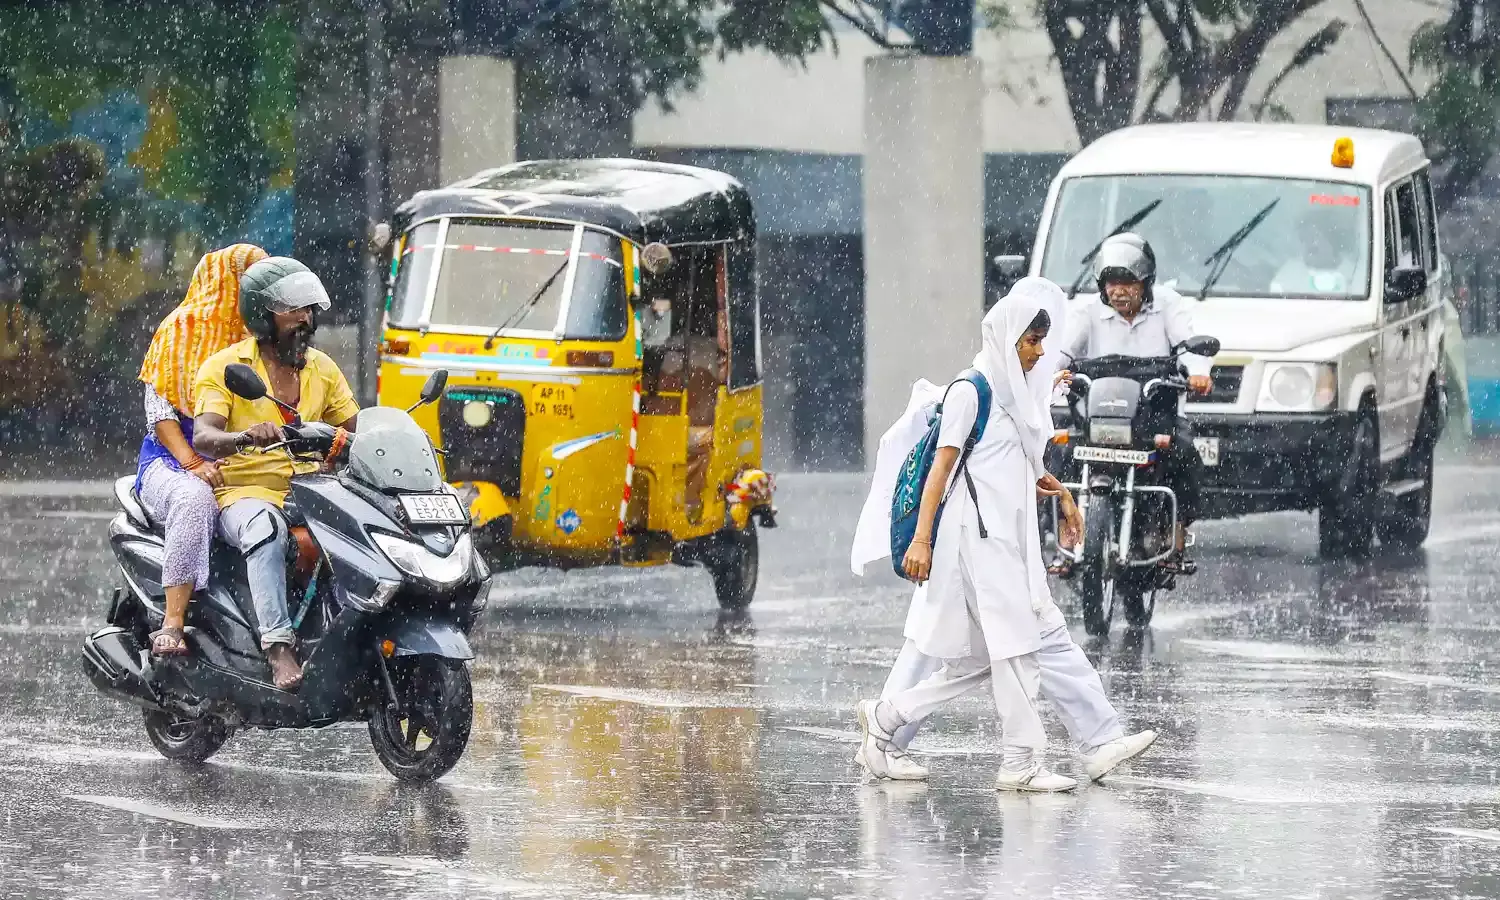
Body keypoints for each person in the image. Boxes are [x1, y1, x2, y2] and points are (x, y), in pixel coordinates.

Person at [850, 278, 1159, 785]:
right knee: (1006, 650)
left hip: (1006, 545)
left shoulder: (1011, 395)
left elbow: (1012, 467)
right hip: (974, 546)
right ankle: (1023, 758)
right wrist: (922, 540)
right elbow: (941, 472)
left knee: (993, 652)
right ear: (1006, 338)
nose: (1039, 352)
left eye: (1041, 341)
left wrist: (1061, 496)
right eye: (1031, 341)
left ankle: (887, 723)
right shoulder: (971, 392)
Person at [191, 257, 359, 691]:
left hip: (311, 490)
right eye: (293, 310)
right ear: (263, 317)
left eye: (308, 309)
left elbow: (356, 427)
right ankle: (278, 646)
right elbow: (205, 437)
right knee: (266, 530)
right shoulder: (226, 368)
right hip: (245, 494)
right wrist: (245, 438)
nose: (305, 318)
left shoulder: (322, 367)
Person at [134, 243, 268, 657]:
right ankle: (173, 621)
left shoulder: (259, 339)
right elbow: (160, 413)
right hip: (172, 461)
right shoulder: (179, 330)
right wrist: (193, 462)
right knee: (196, 499)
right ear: (229, 284)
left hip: (238, 457)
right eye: (253, 284)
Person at [1065, 233, 1212, 557]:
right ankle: (1065, 528)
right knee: (1058, 450)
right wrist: (1046, 374)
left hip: (1155, 413)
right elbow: (1061, 351)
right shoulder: (1086, 312)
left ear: (1146, 282)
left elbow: (1189, 344)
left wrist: (1199, 372)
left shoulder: (1169, 304)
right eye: (1111, 282)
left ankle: (1176, 531)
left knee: (1185, 454)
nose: (1118, 291)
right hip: (1099, 415)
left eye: (1127, 282)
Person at [1271, 210, 1360, 295]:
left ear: (1331, 238)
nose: (1308, 243)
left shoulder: (1354, 273)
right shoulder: (1290, 271)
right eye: (1303, 238)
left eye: (1314, 236)